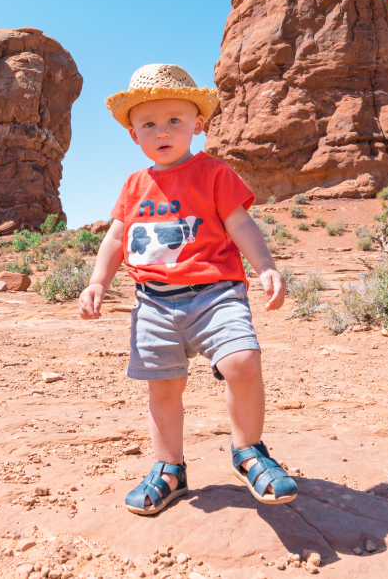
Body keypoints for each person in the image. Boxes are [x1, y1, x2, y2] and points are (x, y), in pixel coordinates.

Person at [79, 64, 297, 516]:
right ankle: (169, 469)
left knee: (242, 360)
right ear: (134, 134)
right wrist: (99, 280)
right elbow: (117, 237)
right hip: (153, 301)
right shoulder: (134, 184)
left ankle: (248, 450)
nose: (163, 131)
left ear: (198, 124)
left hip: (215, 293)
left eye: (175, 120)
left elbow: (240, 223)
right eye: (149, 123)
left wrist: (266, 266)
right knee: (163, 385)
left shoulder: (214, 173)